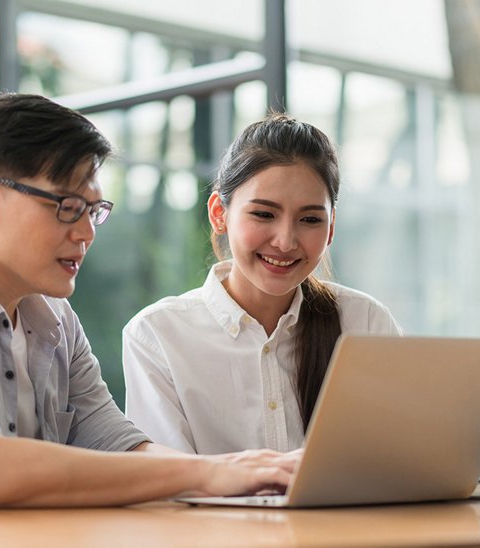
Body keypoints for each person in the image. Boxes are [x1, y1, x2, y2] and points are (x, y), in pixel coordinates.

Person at [0, 93, 298, 512]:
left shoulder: (55, 317)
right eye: (67, 207)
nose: (86, 231)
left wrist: (247, 474)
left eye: (94, 210)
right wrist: (208, 476)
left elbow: (118, 445)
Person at [123, 113, 403, 455]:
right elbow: (168, 483)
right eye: (264, 214)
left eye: (310, 219)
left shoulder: (366, 323)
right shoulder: (158, 334)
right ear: (219, 214)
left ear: (330, 229)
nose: (285, 241)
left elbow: (400, 458)